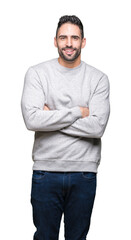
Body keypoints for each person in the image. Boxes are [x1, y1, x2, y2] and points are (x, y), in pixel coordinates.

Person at [21, 15, 110, 240]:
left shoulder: (98, 79)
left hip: (84, 173)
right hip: (45, 173)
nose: (69, 43)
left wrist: (51, 117)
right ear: (55, 41)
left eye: (74, 38)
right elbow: (32, 120)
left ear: (83, 41)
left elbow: (97, 126)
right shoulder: (37, 73)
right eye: (63, 37)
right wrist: (78, 112)